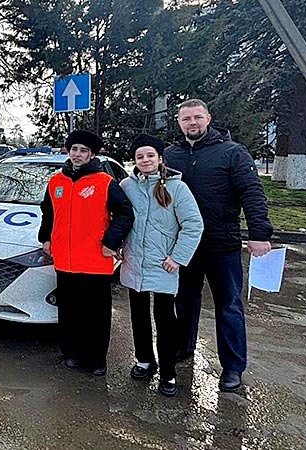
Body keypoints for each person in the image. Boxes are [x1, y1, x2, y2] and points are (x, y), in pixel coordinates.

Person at [164, 99, 273, 392]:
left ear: (208, 119)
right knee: (184, 301)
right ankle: (183, 347)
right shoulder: (170, 155)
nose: (192, 123)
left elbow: (252, 192)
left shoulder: (232, 152)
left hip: (222, 244)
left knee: (229, 306)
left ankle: (233, 366)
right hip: (184, 246)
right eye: (186, 119)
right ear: (179, 122)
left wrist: (259, 233)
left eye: (197, 117)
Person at [38, 130, 134, 376]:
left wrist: (111, 241)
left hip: (94, 261)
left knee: (96, 314)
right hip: (65, 260)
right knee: (69, 311)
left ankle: (96, 359)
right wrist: (45, 238)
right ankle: (71, 353)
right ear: (68, 151)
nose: (78, 154)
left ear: (91, 154)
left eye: (83, 150)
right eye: (74, 149)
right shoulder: (56, 182)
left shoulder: (104, 182)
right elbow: (48, 212)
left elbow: (125, 213)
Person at [119, 134, 204, 397]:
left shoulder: (177, 188)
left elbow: (193, 225)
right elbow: (118, 218)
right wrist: (118, 245)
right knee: (138, 315)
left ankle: (168, 371)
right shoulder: (126, 186)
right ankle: (144, 360)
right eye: (140, 156)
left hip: (163, 264)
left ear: (159, 158)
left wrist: (178, 257)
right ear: (134, 160)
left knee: (165, 318)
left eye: (150, 155)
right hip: (134, 261)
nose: (145, 160)